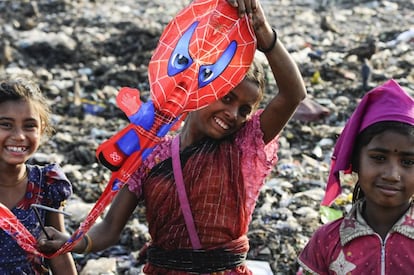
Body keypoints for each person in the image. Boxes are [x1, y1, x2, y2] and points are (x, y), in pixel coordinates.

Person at [38, 0, 306, 274]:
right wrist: (71, 243)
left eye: (245, 110)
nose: (233, 114)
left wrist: (264, 32)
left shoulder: (241, 145)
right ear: (201, 86)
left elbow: (293, 95)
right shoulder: (150, 157)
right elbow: (109, 229)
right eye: (226, 97)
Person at [298, 79, 414, 274]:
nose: (392, 175)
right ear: (355, 159)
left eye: (408, 162)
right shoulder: (327, 241)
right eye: (379, 158)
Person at [0, 76, 77, 274]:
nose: (19, 136)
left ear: (42, 128)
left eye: (29, 126)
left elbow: (57, 251)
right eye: (6, 124)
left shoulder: (47, 184)